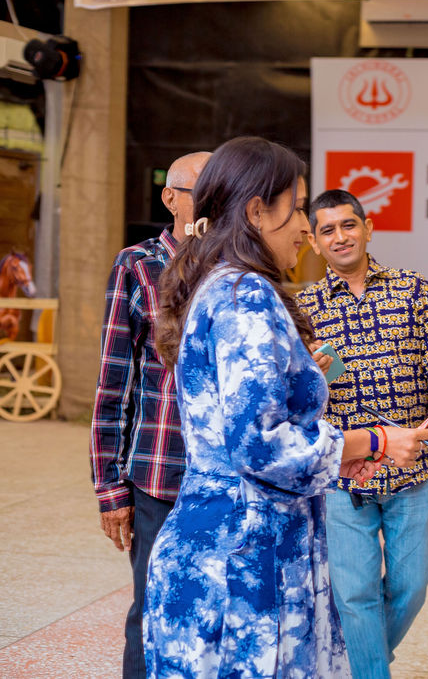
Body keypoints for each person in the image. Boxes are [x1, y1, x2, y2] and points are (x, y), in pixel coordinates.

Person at [144, 136, 428, 677]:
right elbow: (261, 447)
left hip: (232, 548)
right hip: (246, 563)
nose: (305, 226)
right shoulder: (246, 295)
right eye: (298, 208)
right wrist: (374, 439)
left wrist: (336, 457)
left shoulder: (220, 284)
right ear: (257, 212)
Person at [295, 189, 428, 679]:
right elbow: (295, 400)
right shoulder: (303, 308)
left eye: (349, 225)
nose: (340, 237)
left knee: (413, 584)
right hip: (343, 474)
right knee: (355, 594)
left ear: (368, 229)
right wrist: (309, 375)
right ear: (315, 242)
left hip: (413, 470)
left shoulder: (412, 289)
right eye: (327, 230)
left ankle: (353, 662)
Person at [89, 150, 209, 678]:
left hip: (225, 478)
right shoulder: (137, 265)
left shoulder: (237, 267)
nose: (215, 204)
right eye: (204, 193)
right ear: (171, 199)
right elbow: (113, 380)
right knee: (152, 608)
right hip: (160, 475)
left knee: (216, 612)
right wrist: (110, 489)